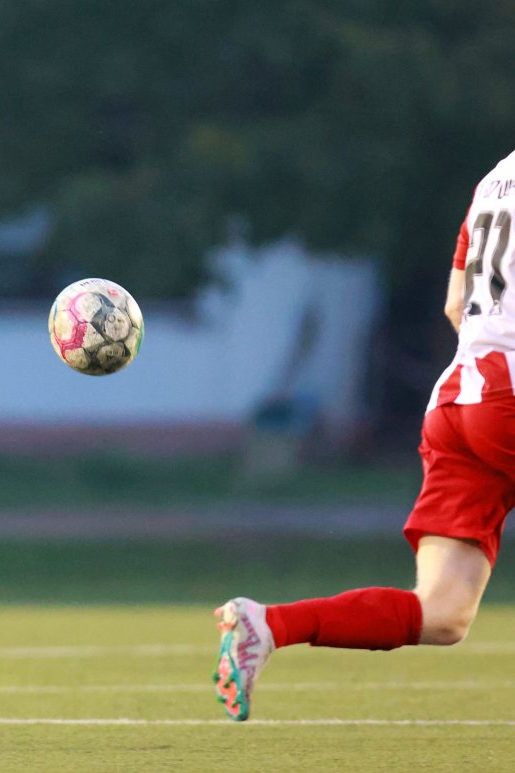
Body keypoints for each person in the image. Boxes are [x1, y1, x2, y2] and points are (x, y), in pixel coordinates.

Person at [214, 149, 515, 721]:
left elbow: (457, 303)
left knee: (443, 613)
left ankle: (269, 624)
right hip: (506, 400)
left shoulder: (497, 177)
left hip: (459, 401)